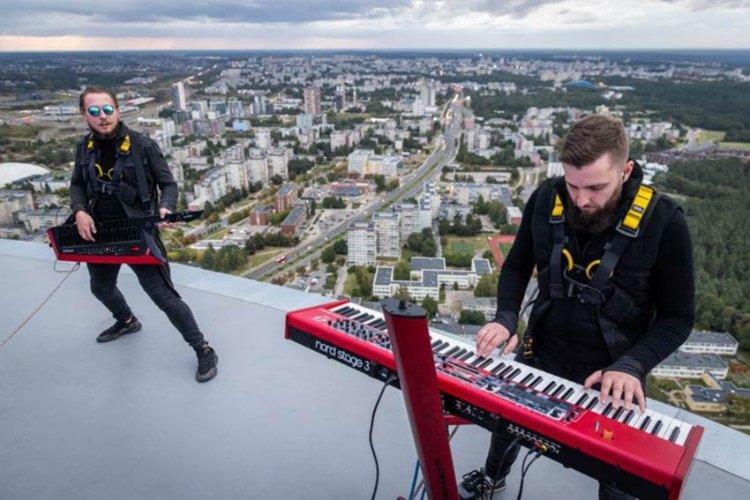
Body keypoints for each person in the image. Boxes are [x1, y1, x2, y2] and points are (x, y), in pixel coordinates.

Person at [459, 114, 695, 499]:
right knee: (506, 426)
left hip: (612, 374)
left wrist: (633, 366)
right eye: (573, 186)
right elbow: (518, 266)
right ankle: (494, 476)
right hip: (542, 352)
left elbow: (678, 317)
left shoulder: (665, 223)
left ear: (626, 170)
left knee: (617, 478)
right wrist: (505, 318)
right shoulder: (547, 198)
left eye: (596, 187)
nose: (582, 200)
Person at [69, 86, 218, 383]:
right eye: (94, 111)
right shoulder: (85, 148)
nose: (102, 117)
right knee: (101, 289)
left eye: (107, 109)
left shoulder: (141, 145)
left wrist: (165, 207)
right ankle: (126, 320)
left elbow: (169, 184)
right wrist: (79, 210)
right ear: (84, 114)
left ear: (118, 110)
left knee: (164, 297)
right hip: (101, 233)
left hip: (138, 232)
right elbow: (77, 185)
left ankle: (203, 349)